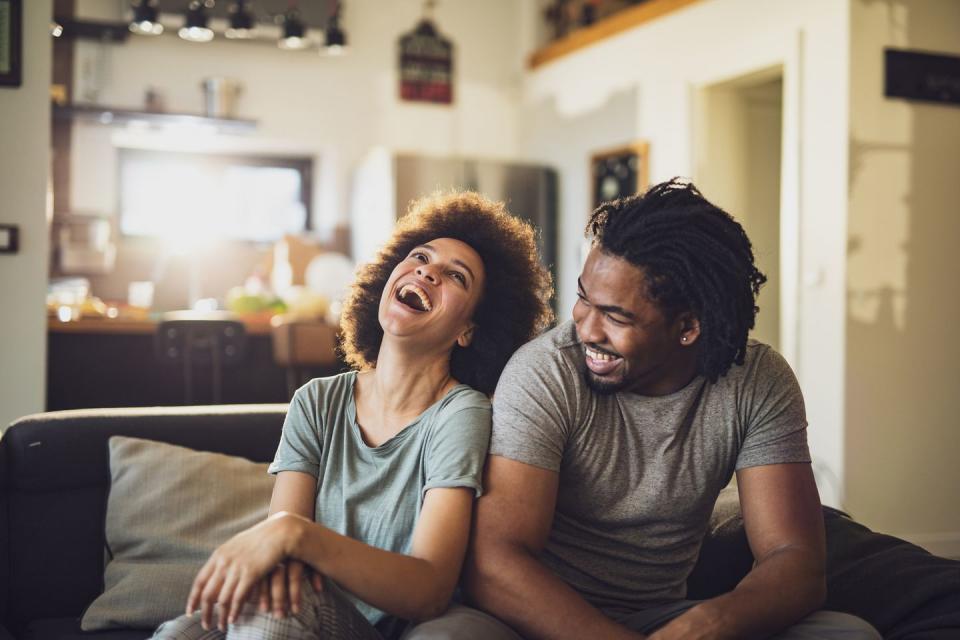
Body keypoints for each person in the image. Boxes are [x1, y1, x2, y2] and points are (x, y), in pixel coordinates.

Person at [413, 179, 881, 639]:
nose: (586, 328)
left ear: (688, 327)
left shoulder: (756, 381)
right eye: (582, 298)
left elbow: (795, 559)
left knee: (847, 634)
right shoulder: (545, 371)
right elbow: (495, 563)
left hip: (659, 617)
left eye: (615, 316)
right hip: (525, 618)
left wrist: (714, 622)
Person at [152, 191, 553, 640]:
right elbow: (283, 557)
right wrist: (286, 541)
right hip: (302, 610)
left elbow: (430, 588)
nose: (427, 270)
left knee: (276, 611)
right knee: (183, 632)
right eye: (420, 256)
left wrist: (296, 536)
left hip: (369, 627)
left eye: (455, 276)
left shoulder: (460, 414)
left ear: (469, 331)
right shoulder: (316, 402)